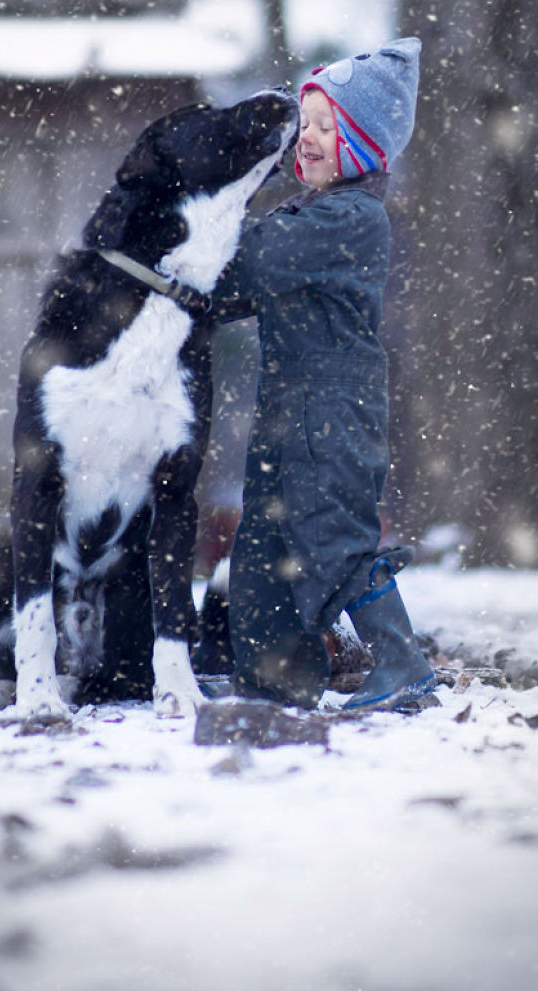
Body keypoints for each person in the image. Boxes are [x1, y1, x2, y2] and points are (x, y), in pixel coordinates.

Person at [211, 39, 436, 713]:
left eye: (323, 127)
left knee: (331, 535)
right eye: (302, 126)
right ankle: (272, 676)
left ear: (362, 145)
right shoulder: (309, 212)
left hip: (332, 412)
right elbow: (230, 296)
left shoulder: (350, 218)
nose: (303, 140)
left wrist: (214, 218)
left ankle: (402, 663)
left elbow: (245, 267)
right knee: (262, 548)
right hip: (288, 413)